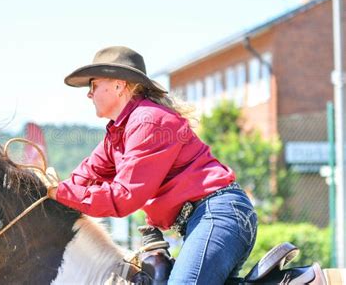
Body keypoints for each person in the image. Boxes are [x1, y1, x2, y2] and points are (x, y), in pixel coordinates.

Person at [47, 46, 258, 284]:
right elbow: (83, 178)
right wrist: (44, 188)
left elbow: (124, 197)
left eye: (93, 85)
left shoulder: (148, 121)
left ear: (118, 85)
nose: (89, 94)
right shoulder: (119, 132)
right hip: (214, 217)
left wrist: (58, 192)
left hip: (218, 215)